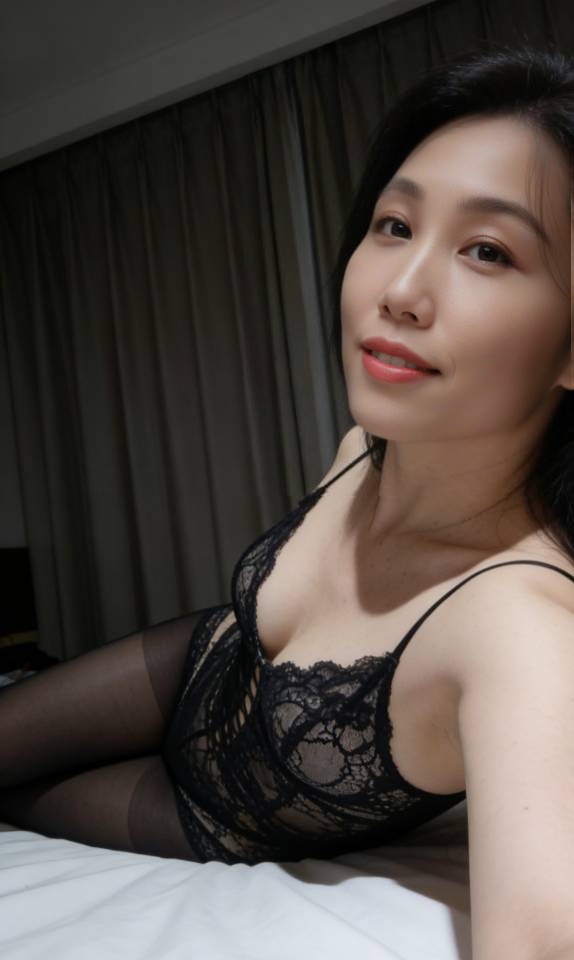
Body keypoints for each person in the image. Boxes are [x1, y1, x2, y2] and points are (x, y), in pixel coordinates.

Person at [1, 40, 573, 958]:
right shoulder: (364, 449)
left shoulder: (521, 626)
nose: (400, 290)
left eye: (487, 251)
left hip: (216, 806)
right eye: (394, 225)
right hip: (197, 662)